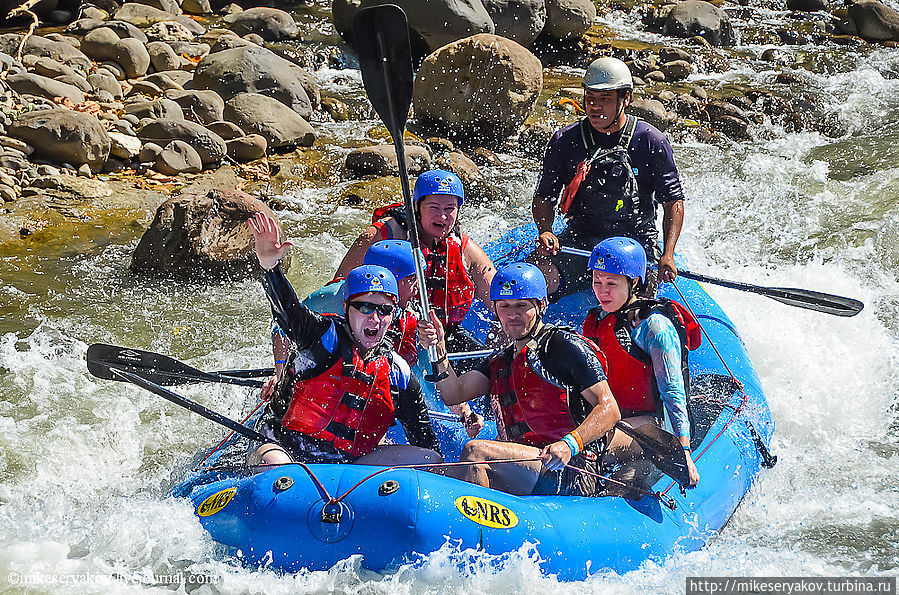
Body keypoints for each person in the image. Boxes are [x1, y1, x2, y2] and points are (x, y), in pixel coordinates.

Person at [246, 212, 442, 467]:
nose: (375, 318)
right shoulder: (321, 338)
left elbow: (425, 439)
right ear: (346, 307)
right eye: (364, 308)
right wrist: (271, 269)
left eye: (384, 310)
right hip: (285, 447)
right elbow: (288, 312)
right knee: (276, 465)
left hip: (346, 463)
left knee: (430, 458)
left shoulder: (398, 372)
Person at [418, 262, 623, 497]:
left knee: (476, 452)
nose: (512, 315)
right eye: (504, 306)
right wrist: (438, 348)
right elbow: (454, 393)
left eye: (522, 306)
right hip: (529, 466)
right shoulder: (501, 360)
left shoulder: (563, 346)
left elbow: (609, 409)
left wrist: (569, 444)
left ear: (541, 305)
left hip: (571, 469)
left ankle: (480, 531)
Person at [265, 239, 484, 438]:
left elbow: (429, 373)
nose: (419, 287)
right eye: (412, 279)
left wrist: (465, 412)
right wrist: (280, 372)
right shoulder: (334, 297)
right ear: (388, 277)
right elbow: (283, 329)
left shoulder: (411, 316)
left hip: (374, 387)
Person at [528, 56, 685, 301]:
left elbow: (672, 201)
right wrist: (546, 231)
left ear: (626, 99)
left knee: (632, 302)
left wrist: (668, 254)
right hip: (580, 239)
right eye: (590, 98)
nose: (595, 106)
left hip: (635, 242)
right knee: (536, 275)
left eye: (605, 99)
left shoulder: (651, 140)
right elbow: (544, 196)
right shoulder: (565, 140)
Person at [335, 169, 496, 354]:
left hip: (443, 336)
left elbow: (501, 298)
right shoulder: (382, 237)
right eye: (434, 207)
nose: (442, 217)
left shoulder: (463, 247)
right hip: (383, 332)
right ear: (417, 207)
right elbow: (339, 289)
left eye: (449, 209)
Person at [581, 236, 700, 486]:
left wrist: (684, 452)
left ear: (634, 281)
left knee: (590, 447)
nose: (602, 291)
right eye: (597, 281)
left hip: (651, 425)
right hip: (611, 416)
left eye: (611, 283)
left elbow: (672, 389)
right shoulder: (598, 320)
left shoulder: (655, 327)